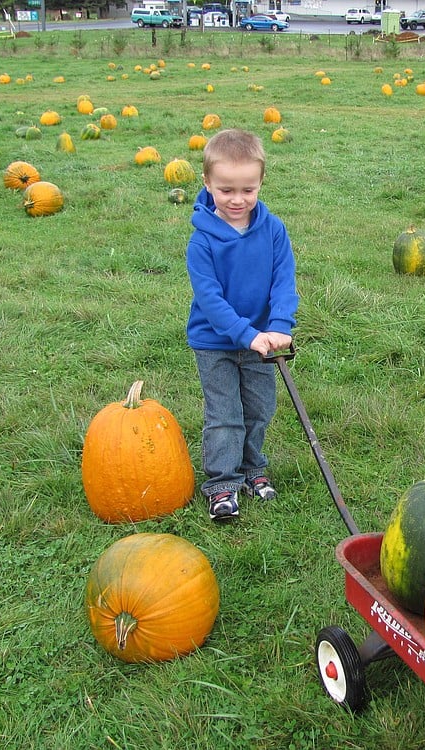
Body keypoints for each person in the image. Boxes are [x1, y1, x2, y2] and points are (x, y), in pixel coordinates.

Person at [185, 128, 299, 522]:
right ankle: (222, 484)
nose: (238, 200)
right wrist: (247, 335)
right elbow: (211, 301)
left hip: (263, 340)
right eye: (226, 190)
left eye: (248, 190)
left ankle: (254, 469)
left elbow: (284, 279)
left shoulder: (273, 230)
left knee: (259, 408)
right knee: (224, 412)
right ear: (207, 183)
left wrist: (280, 324)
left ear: (261, 182)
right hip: (215, 342)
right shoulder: (202, 242)